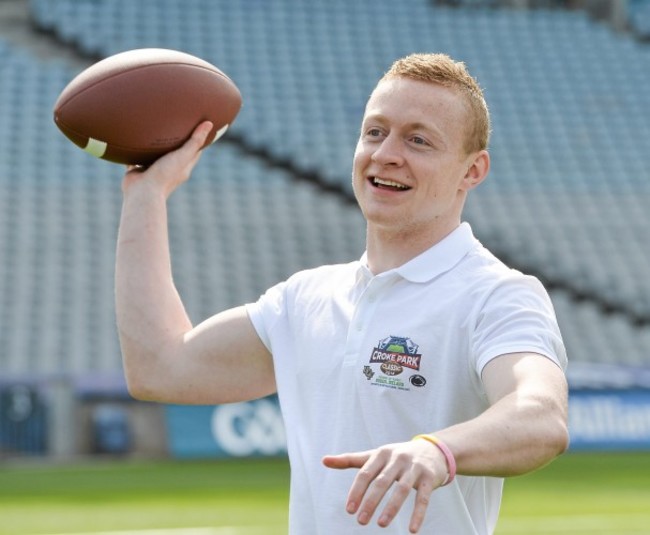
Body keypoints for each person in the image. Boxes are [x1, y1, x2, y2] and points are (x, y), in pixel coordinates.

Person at [115, 53, 569, 534]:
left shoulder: (496, 295)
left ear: (472, 171)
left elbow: (540, 417)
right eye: (375, 132)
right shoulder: (304, 299)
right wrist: (146, 196)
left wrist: (436, 450)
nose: (386, 153)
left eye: (418, 139)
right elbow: (160, 368)